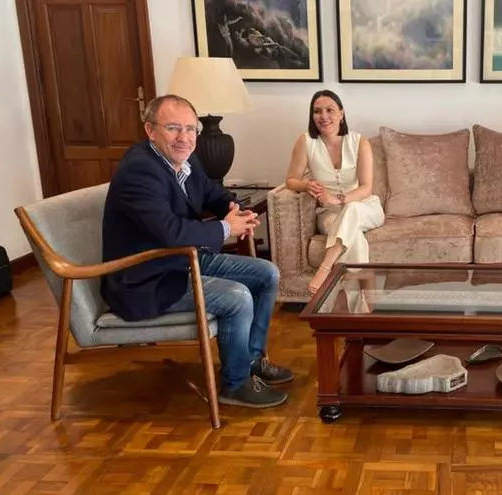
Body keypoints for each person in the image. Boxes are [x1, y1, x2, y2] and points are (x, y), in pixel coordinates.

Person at [101, 94, 293, 409]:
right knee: (237, 295)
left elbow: (211, 193)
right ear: (150, 130)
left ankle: (251, 361)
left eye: (190, 129)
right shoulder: (139, 171)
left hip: (180, 261)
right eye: (173, 128)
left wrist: (235, 209)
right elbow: (170, 232)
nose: (184, 137)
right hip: (146, 279)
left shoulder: (186, 159)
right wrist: (226, 228)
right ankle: (236, 384)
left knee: (266, 273)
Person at [285, 90, 385, 294]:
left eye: (330, 110)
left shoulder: (359, 142)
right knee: (354, 237)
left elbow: (366, 187)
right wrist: (306, 185)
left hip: (365, 207)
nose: (323, 116)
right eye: (317, 111)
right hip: (329, 214)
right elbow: (291, 180)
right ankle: (364, 305)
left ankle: (326, 268)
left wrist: (338, 199)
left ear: (341, 113)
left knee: (352, 210)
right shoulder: (306, 142)